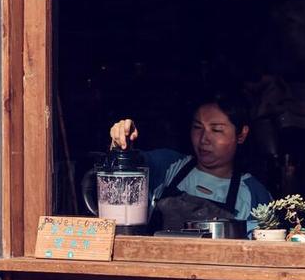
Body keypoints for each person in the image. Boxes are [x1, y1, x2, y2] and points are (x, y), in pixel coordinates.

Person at [110, 91, 271, 233]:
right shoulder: (168, 166)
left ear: (241, 135)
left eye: (216, 130)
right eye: (197, 127)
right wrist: (121, 144)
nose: (204, 139)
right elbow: (125, 168)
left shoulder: (254, 193)